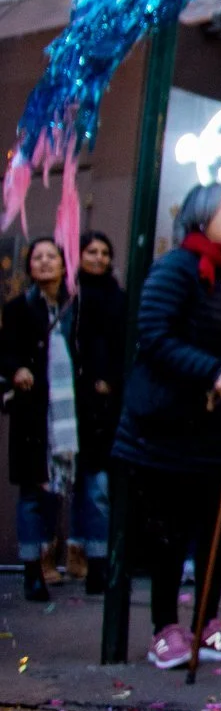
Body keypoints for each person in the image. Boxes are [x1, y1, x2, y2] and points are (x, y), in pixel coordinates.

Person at [111, 184, 221, 669]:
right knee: (169, 534)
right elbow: (154, 336)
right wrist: (212, 372)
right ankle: (165, 629)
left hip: (214, 431)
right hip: (165, 430)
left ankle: (207, 622)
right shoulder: (177, 268)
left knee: (214, 529)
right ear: (201, 216)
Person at [2, 239, 82, 601]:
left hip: (71, 414)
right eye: (38, 257)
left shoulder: (76, 306)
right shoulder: (18, 308)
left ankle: (53, 560)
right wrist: (16, 368)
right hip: (35, 413)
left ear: (65, 266)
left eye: (53, 256)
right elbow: (5, 352)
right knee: (33, 493)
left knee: (57, 494)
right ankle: (33, 569)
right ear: (30, 267)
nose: (46, 262)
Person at [70, 231, 126, 594]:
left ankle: (96, 562)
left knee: (98, 485)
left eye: (105, 252)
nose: (99, 259)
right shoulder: (70, 297)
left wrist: (109, 381)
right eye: (92, 251)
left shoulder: (116, 296)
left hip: (105, 406)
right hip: (73, 401)